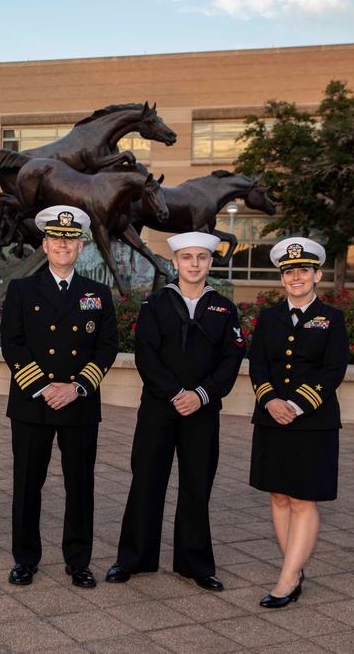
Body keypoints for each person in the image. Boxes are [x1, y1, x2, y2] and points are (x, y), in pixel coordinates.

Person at [106, 231, 245, 591]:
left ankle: (195, 564)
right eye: (187, 258)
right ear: (175, 263)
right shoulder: (155, 304)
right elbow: (146, 356)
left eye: (202, 257)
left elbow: (231, 359)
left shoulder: (225, 308)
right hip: (159, 407)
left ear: (210, 263)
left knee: (197, 486)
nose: (195, 264)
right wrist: (176, 394)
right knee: (147, 481)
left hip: (203, 409)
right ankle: (133, 559)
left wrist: (201, 395)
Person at [1, 205, 119, 589]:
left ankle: (78, 560)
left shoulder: (97, 294)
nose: (62, 245)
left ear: (81, 245)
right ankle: (25, 559)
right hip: (32, 402)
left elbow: (107, 348)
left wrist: (76, 387)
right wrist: (44, 387)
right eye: (56, 239)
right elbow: (13, 344)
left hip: (79, 403)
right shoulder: (21, 289)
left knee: (80, 486)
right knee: (26, 486)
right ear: (45, 243)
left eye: (70, 239)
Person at [248, 237, 349, 608]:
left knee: (303, 499)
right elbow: (258, 364)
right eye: (289, 271)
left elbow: (334, 368)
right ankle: (295, 566)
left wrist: (296, 403)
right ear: (283, 278)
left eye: (303, 270)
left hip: (314, 421)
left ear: (316, 274)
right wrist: (271, 400)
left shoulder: (332, 318)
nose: (296, 277)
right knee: (278, 494)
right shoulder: (268, 317)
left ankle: (288, 578)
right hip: (271, 418)